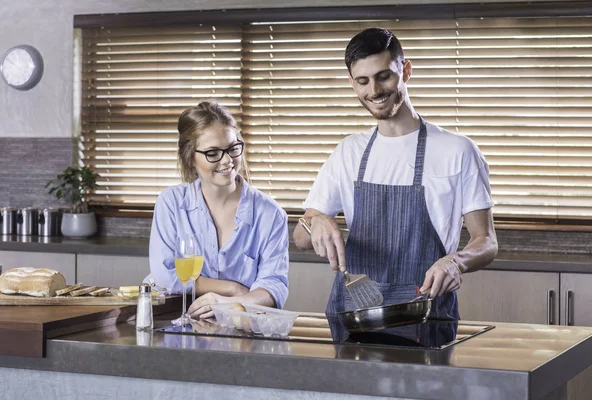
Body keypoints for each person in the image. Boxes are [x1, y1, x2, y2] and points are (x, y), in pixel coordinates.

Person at [293, 28, 498, 321]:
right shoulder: (348, 152)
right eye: (363, 81)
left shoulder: (458, 150)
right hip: (354, 317)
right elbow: (301, 235)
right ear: (352, 84)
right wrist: (317, 222)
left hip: (426, 315)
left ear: (406, 70)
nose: (374, 91)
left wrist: (456, 262)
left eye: (383, 76)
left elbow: (486, 241)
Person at [148, 101, 289, 319]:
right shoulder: (172, 203)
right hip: (174, 324)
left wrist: (227, 303)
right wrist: (233, 289)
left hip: (241, 332)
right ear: (190, 158)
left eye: (233, 148)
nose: (227, 160)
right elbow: (166, 276)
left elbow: (273, 287)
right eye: (213, 153)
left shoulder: (270, 214)